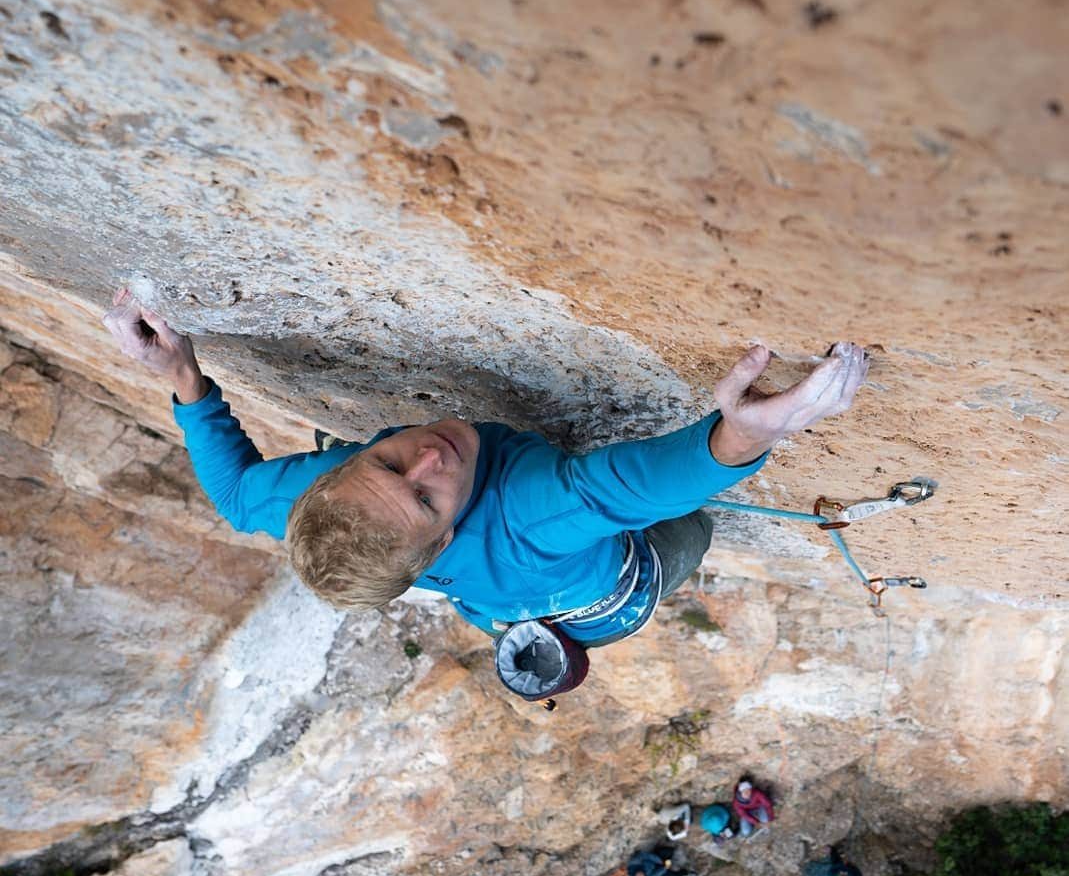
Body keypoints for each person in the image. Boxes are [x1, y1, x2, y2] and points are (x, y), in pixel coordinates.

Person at [102, 286, 868, 644]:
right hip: (612, 592)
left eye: (389, 460)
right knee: (691, 525)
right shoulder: (526, 512)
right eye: (428, 497)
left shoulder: (325, 498)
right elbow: (627, 490)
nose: (430, 455)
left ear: (333, 472)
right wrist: (744, 433)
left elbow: (237, 496)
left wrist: (181, 373)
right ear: (437, 542)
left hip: (498, 603)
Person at [606, 846, 691, 876]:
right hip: (656, 871)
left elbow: (644, 855)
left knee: (667, 852)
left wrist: (660, 861)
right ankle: (687, 873)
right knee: (673, 875)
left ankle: (671, 853)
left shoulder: (632, 864)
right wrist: (665, 867)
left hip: (654, 860)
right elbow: (655, 875)